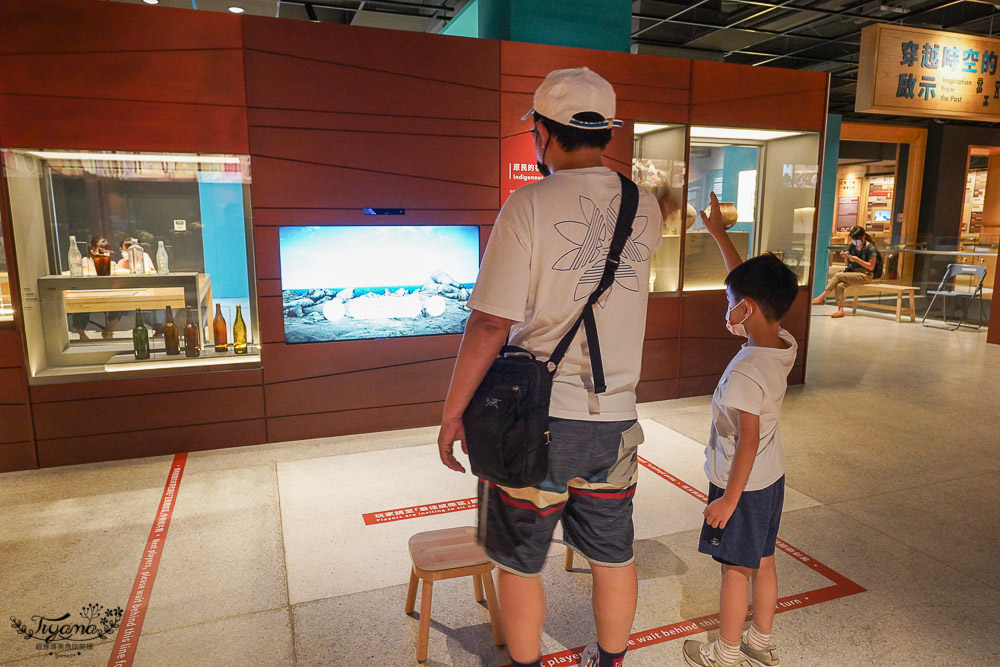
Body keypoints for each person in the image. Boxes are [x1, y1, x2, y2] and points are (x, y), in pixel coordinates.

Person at [436, 67, 663, 667]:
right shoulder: (645, 207)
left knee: (519, 559)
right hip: (616, 421)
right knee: (613, 554)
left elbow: (489, 323)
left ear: (542, 130)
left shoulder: (528, 204)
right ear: (607, 131)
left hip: (534, 422)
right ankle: (609, 661)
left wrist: (452, 411)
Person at [679, 192, 799, 667]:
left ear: (746, 309)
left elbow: (746, 439)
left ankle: (726, 653)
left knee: (734, 570)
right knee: (763, 560)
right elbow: (748, 285)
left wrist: (728, 498)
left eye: (730, 303)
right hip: (770, 479)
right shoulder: (781, 341)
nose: (725, 308)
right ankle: (761, 641)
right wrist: (719, 235)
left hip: (741, 483)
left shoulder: (748, 369)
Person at [811, 225, 878, 318]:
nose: (855, 242)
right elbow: (848, 255)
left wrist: (857, 259)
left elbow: (871, 267)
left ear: (863, 237)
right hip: (853, 273)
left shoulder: (870, 248)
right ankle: (840, 310)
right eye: (853, 239)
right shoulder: (853, 246)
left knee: (838, 276)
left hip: (865, 275)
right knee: (839, 285)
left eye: (857, 239)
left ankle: (822, 297)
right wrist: (846, 256)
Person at [72, 237, 122, 340]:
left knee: (119, 305)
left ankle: (109, 331)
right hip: (88, 293)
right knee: (80, 309)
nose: (105, 253)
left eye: (107, 250)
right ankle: (82, 334)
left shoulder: (111, 262)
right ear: (93, 251)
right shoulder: (86, 261)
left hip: (108, 293)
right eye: (102, 250)